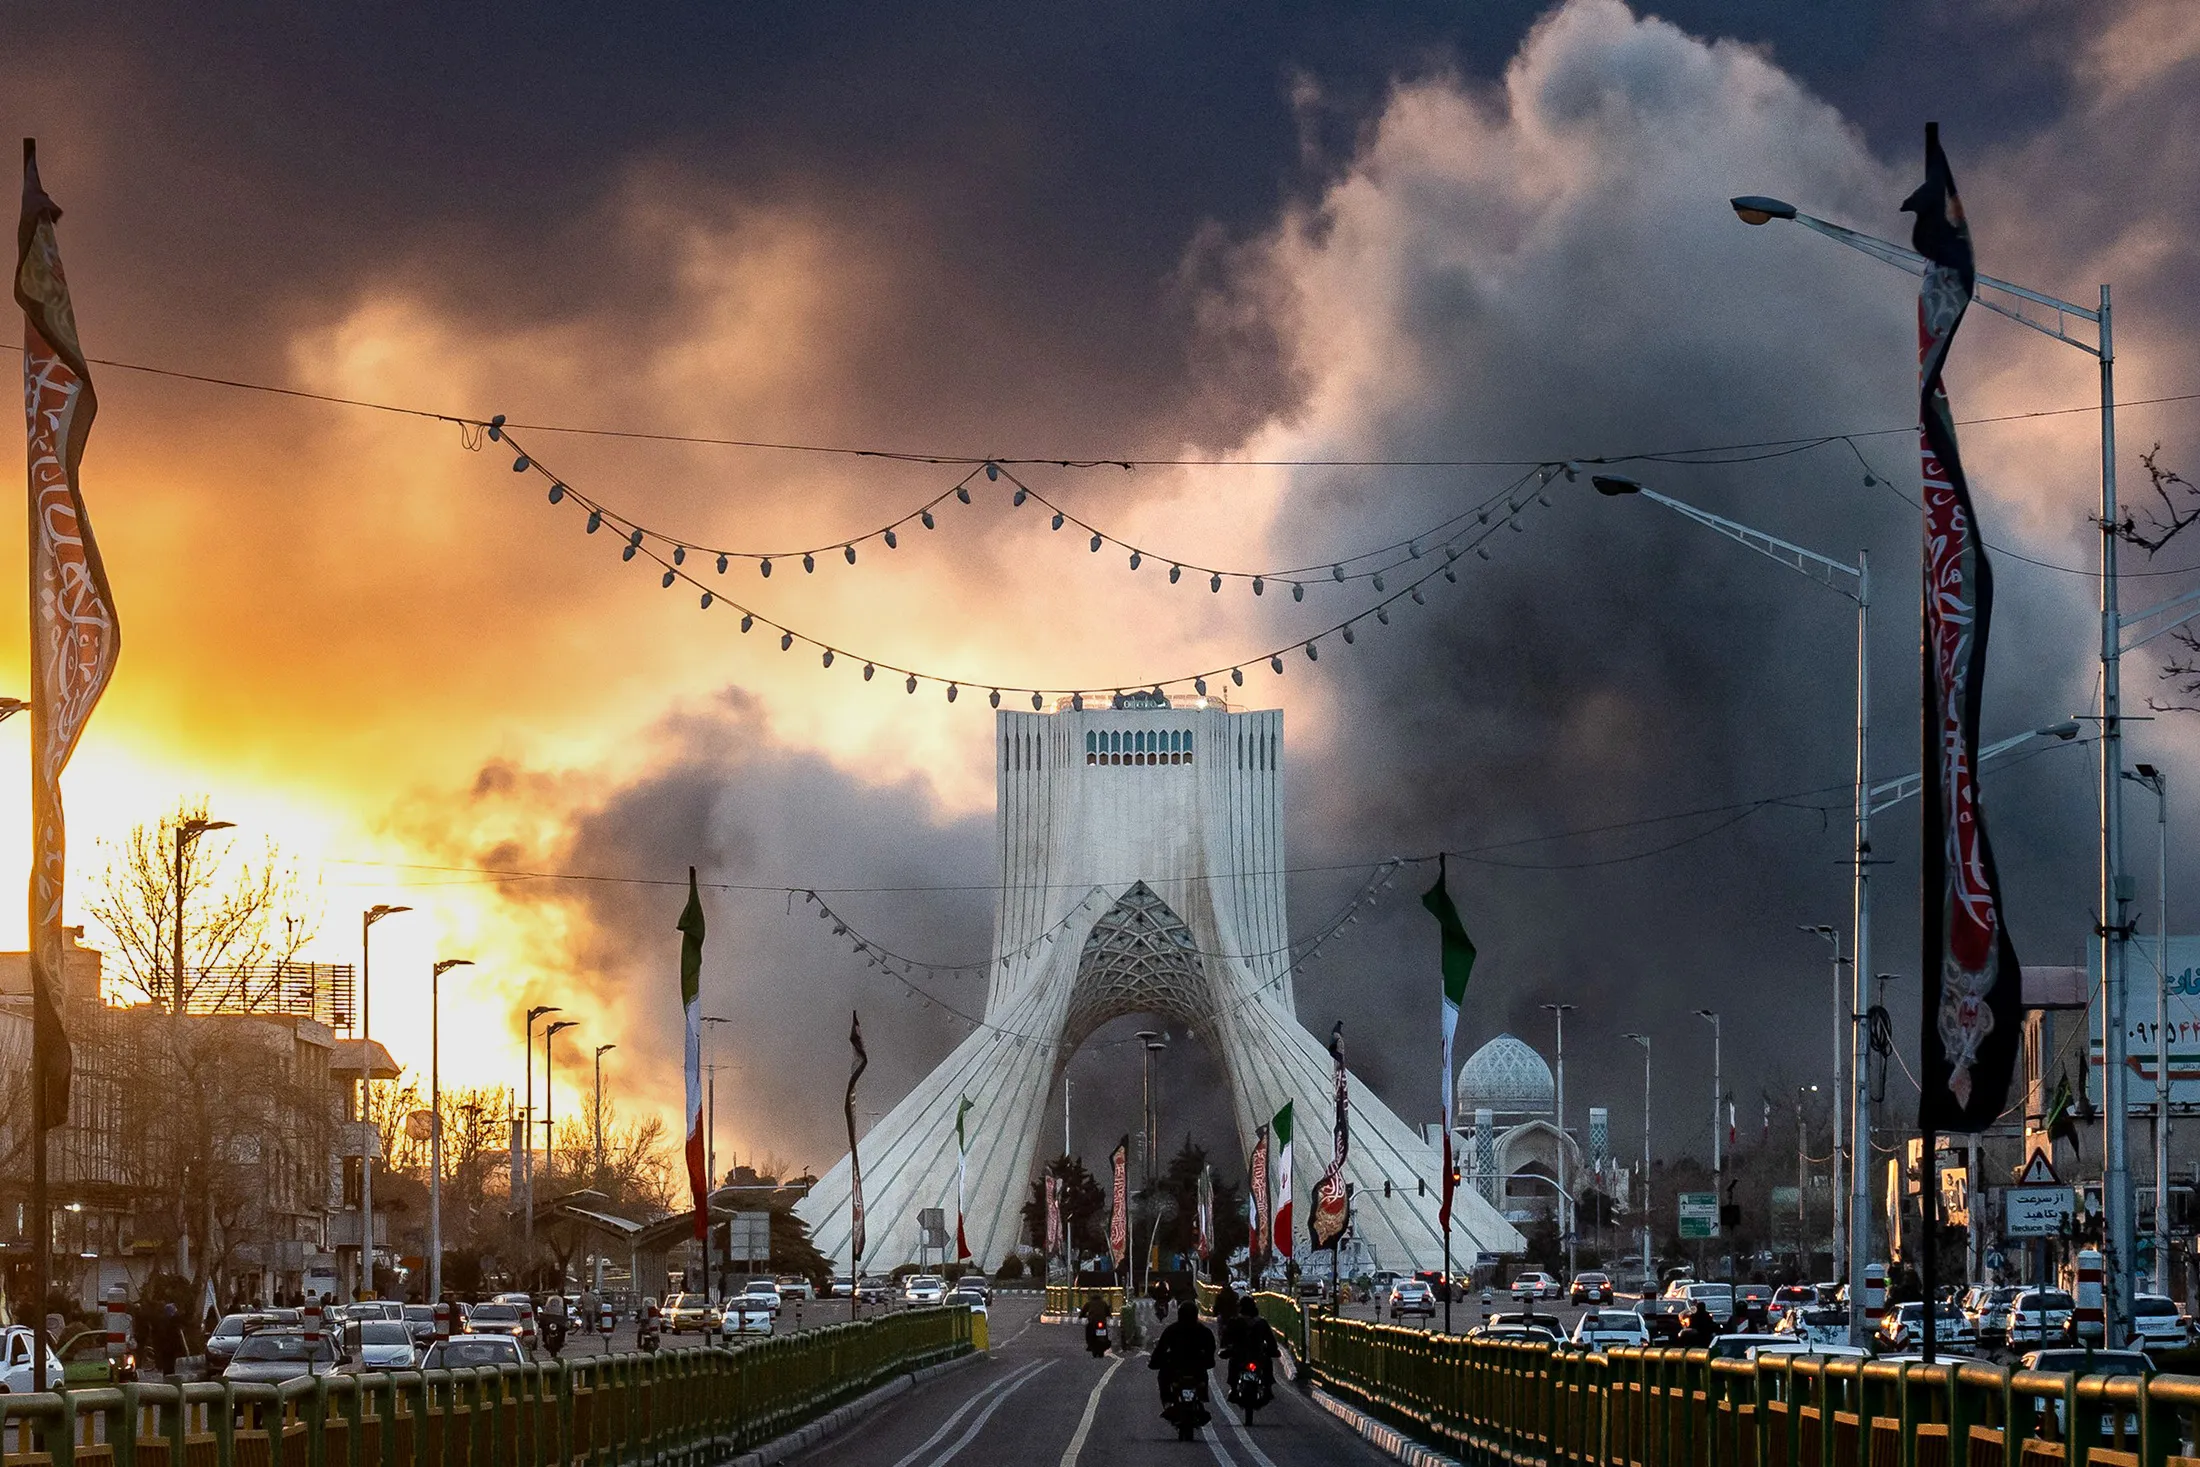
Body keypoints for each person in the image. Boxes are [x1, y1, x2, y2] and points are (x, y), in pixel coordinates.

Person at [1147, 1298, 1215, 1408]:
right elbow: (1210, 1349)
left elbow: (1161, 1348)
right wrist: (1208, 1361)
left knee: (1163, 1377)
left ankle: (1168, 1402)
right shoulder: (1204, 1331)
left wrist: (1155, 1362)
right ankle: (1202, 1397)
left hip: (1176, 1366)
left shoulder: (1172, 1330)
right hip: (1196, 1367)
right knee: (1203, 1377)